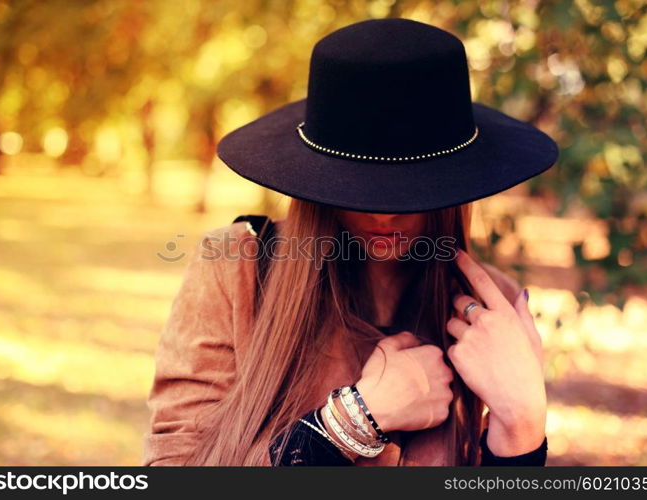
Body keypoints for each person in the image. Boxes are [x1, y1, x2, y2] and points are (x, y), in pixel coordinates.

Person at [142, 18, 558, 467]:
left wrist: (522, 426)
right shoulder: (234, 272)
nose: (382, 214)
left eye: (410, 190)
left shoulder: (495, 313)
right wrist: (353, 420)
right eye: (359, 189)